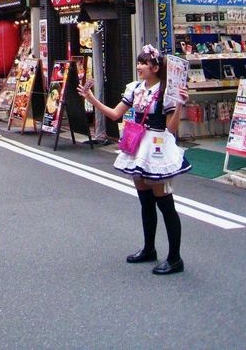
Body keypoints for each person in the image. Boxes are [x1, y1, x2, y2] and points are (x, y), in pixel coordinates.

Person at [78, 44, 190, 275]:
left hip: (157, 147)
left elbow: (171, 128)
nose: (138, 66)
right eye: (138, 62)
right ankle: (149, 249)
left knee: (165, 204)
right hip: (138, 146)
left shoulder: (166, 91)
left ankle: (175, 258)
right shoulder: (136, 88)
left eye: (143, 63)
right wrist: (91, 98)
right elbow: (115, 114)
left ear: (156, 67)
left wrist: (179, 104)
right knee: (145, 201)